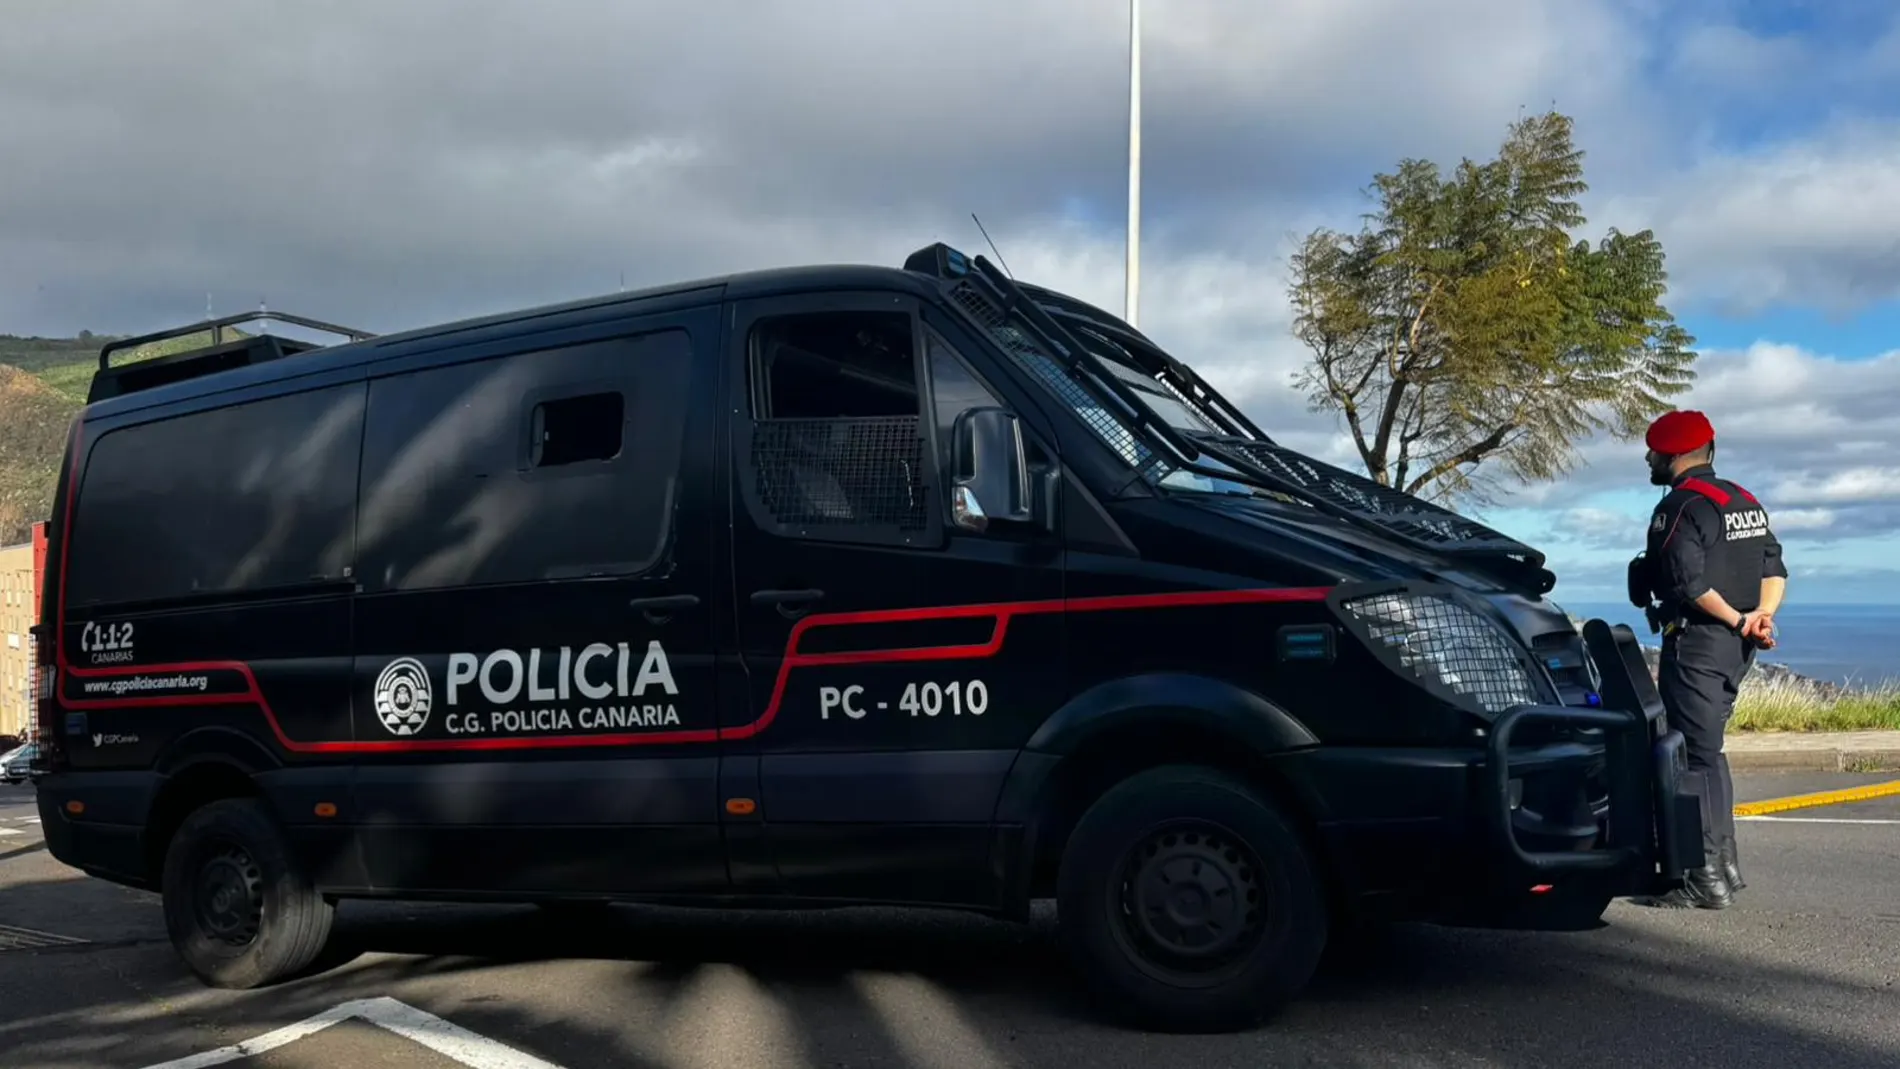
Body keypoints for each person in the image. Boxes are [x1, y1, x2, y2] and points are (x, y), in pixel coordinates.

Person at [1625, 408, 1786, 910]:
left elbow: (1688, 584)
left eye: (1654, 453)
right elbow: (1774, 568)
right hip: (1736, 648)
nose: (1649, 460)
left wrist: (1738, 621)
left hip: (1700, 642)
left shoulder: (1680, 506)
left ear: (1673, 455)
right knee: (1709, 753)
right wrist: (1759, 618)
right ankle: (1724, 865)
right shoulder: (1743, 500)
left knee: (1690, 758)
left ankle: (1702, 878)